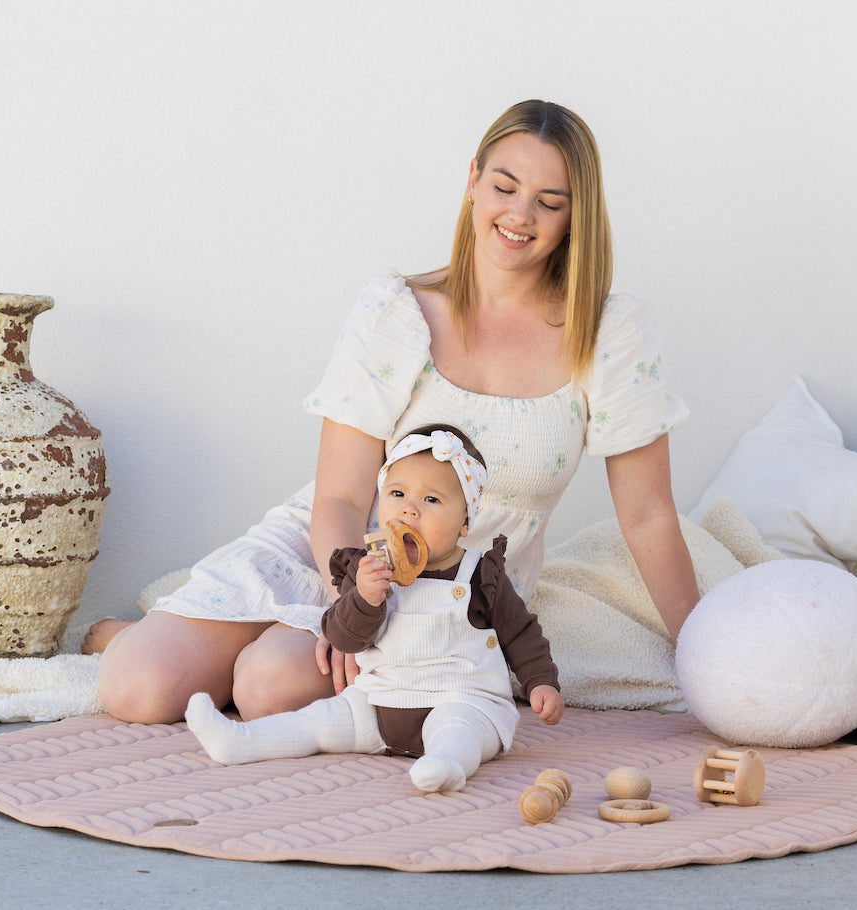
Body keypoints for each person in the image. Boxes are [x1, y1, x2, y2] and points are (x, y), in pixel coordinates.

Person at [86, 98, 698, 725]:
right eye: (504, 186)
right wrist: (348, 603)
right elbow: (343, 498)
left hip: (446, 590)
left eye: (549, 200)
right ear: (472, 181)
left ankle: (231, 647)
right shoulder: (399, 312)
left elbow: (649, 516)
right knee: (136, 689)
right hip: (344, 555)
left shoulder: (607, 336)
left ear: (576, 216)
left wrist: (705, 656)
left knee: (271, 688)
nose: (520, 215)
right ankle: (152, 637)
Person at [184, 425, 563, 792]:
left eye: (431, 500)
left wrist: (540, 681)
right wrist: (365, 598)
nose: (409, 510)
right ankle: (241, 741)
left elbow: (521, 633)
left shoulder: (480, 574)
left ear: (465, 521)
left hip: (462, 699)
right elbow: (343, 638)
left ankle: (447, 765)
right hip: (379, 703)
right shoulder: (369, 568)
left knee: (457, 728)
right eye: (397, 494)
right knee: (317, 723)